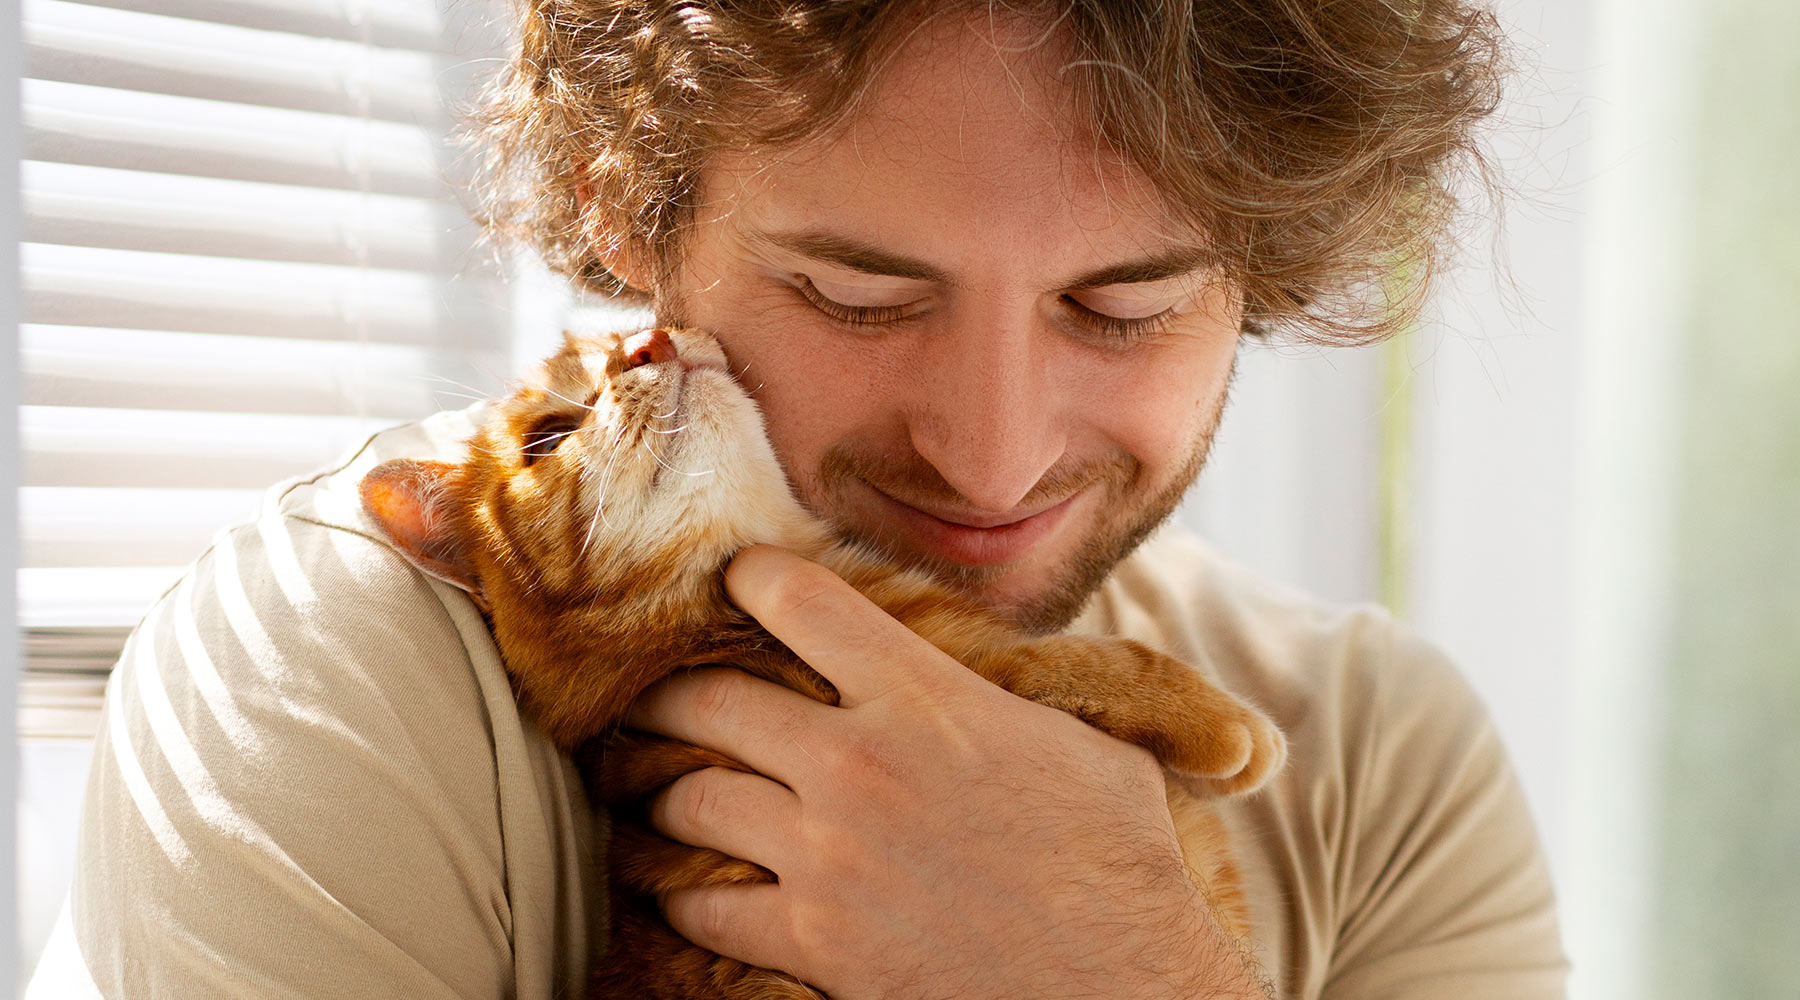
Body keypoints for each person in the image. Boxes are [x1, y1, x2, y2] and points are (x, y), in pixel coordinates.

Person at [29, 1, 1567, 997]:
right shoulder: (327, 677)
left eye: (1123, 307)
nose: (991, 456)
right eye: (857, 293)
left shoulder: (1381, 751)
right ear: (624, 213)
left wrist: (1123, 970)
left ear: (1261, 279)